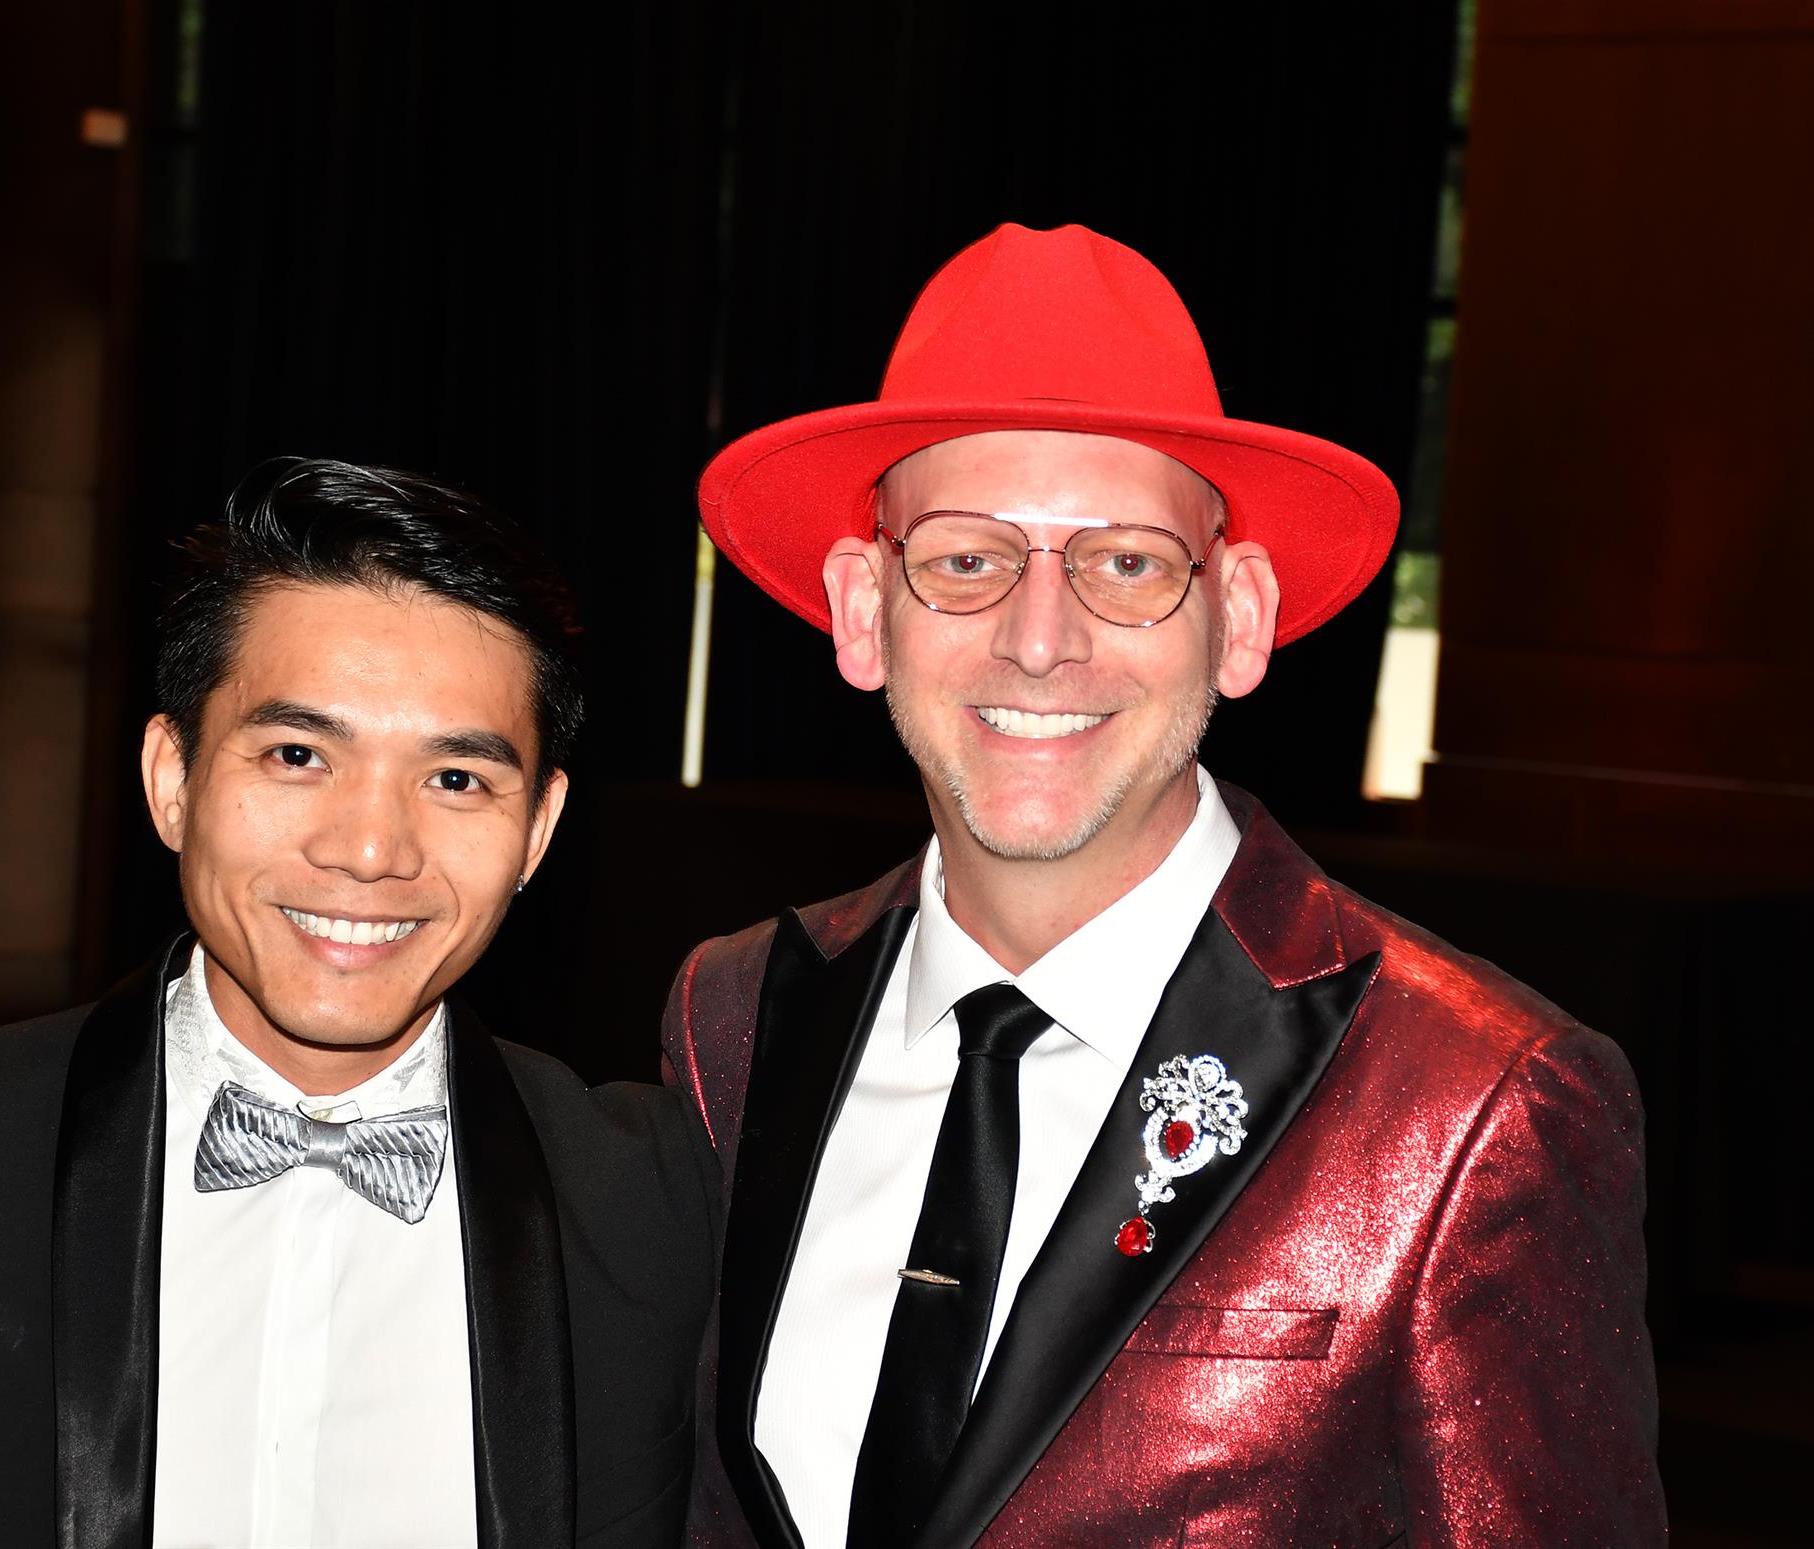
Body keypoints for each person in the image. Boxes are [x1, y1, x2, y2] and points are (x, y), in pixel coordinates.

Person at [664, 224, 1663, 1547]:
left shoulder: (1474, 1103)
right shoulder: (735, 1016)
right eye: (966, 558)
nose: (1040, 639)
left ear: (1237, 617)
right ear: (864, 610)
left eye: (1126, 562)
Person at [0, 459, 718, 1548]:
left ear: (537, 828)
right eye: (298, 754)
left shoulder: (655, 1204)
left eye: (455, 779)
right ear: (174, 779)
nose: (370, 849)